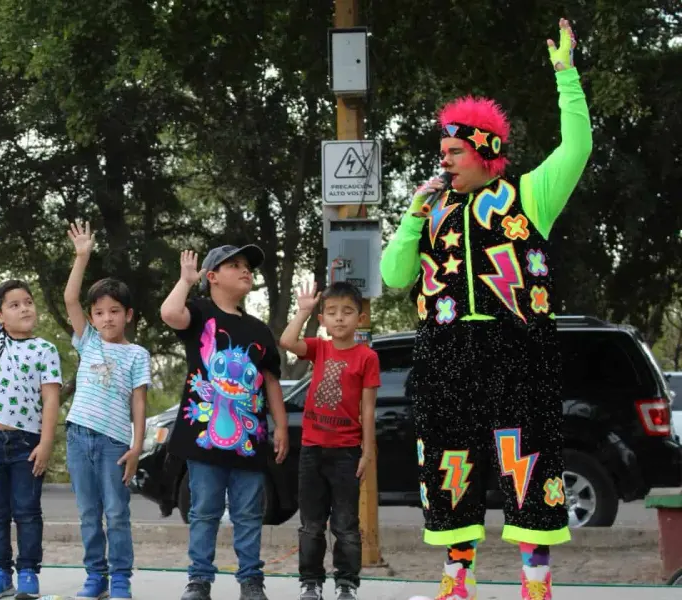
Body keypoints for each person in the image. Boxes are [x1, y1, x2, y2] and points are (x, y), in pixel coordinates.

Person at [379, 19, 592, 600]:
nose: (444, 160)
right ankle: (456, 581)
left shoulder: (529, 197)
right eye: (441, 151)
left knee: (527, 460)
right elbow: (394, 275)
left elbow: (578, 148)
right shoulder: (433, 211)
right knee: (449, 464)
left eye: (454, 151)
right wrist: (413, 216)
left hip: (517, 347)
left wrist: (566, 77)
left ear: (486, 153)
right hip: (445, 352)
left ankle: (535, 583)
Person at [159, 245, 289, 600]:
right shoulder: (199, 313)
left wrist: (280, 426)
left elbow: (272, 382)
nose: (245, 270)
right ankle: (199, 579)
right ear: (212, 276)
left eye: (247, 266)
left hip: (250, 441)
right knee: (204, 511)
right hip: (203, 443)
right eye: (234, 265)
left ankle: (251, 580)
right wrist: (185, 282)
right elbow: (170, 313)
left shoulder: (259, 331)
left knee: (249, 513)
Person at [0, 221, 63, 600]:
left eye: (28, 302)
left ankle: (29, 574)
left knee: (27, 511)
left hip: (26, 444)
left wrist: (47, 443)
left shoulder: (45, 350)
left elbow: (51, 398)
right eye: (14, 304)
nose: (24, 308)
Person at [61, 221, 150, 600]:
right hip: (79, 437)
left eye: (115, 311)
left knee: (115, 513)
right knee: (87, 513)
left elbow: (139, 402)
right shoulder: (89, 343)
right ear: (92, 318)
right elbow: (69, 299)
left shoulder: (137, 354)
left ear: (128, 314)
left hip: (115, 443)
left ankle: (120, 579)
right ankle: (94, 576)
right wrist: (82, 256)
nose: (106, 318)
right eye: (99, 313)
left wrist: (137, 446)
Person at [279, 281, 379, 600]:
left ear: (360, 318)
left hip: (347, 453)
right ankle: (311, 582)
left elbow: (367, 408)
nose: (339, 318)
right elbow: (286, 340)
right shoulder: (319, 348)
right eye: (332, 312)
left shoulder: (367, 358)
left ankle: (346, 583)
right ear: (323, 319)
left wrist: (366, 452)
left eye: (347, 312)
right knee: (311, 523)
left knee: (346, 524)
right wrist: (304, 310)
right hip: (312, 450)